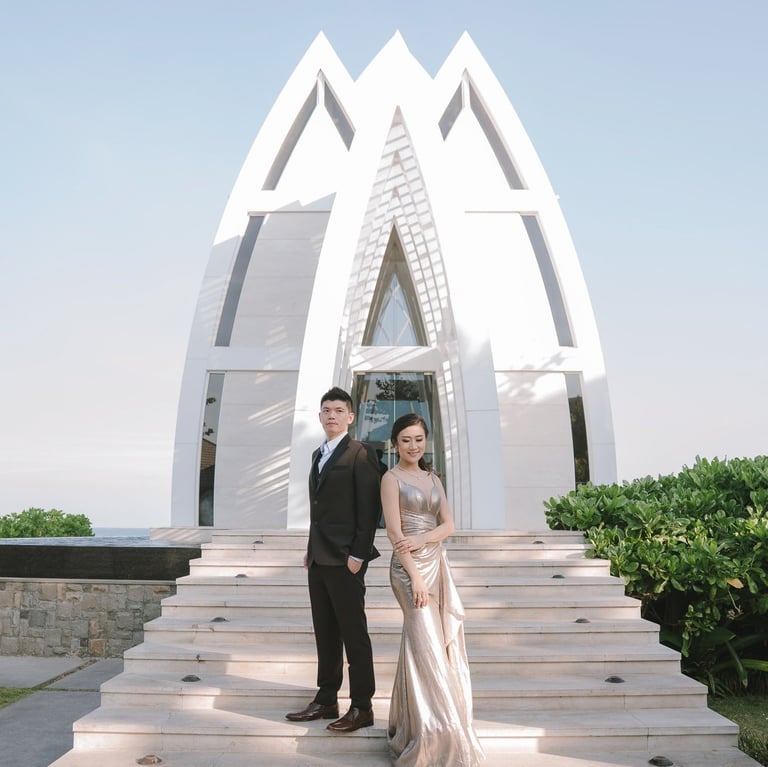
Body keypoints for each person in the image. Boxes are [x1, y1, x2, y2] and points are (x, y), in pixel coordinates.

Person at [382, 413, 485, 767]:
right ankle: (437, 735)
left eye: (418, 439)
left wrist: (425, 539)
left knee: (428, 647)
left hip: (436, 565)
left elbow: (449, 525)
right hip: (408, 570)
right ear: (395, 444)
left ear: (426, 441)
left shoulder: (433, 478)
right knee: (426, 646)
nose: (413, 446)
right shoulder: (391, 479)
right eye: (406, 440)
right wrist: (415, 577)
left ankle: (411, 726)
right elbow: (394, 534)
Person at [286, 386, 382, 733]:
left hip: (346, 560)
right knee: (325, 633)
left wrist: (358, 554)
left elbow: (369, 509)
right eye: (326, 410)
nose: (332, 415)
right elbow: (320, 508)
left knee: (354, 635)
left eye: (339, 410)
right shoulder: (318, 454)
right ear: (320, 416)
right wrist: (311, 549)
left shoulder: (361, 453)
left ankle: (362, 706)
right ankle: (327, 698)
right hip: (319, 558)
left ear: (350, 417)